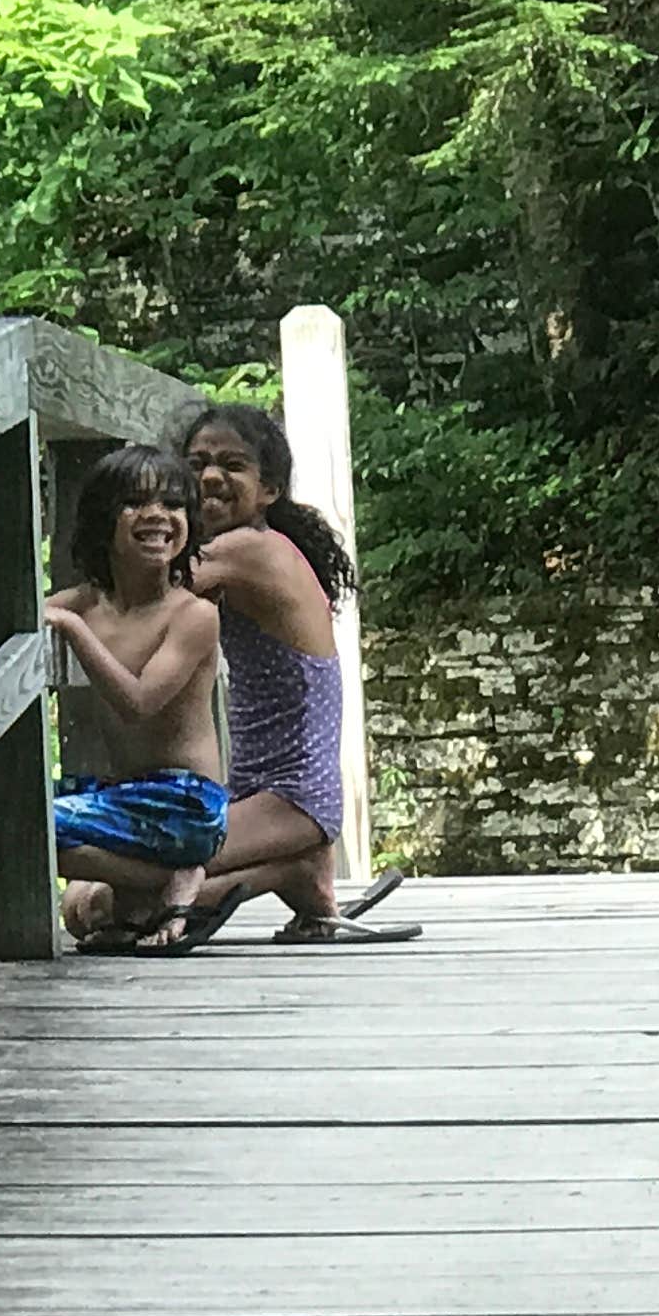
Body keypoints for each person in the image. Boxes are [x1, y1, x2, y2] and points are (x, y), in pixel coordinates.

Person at [171, 403, 411, 944]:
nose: (210, 477)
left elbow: (137, 602)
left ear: (269, 490)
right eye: (195, 464)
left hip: (293, 796)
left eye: (233, 465)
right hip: (272, 794)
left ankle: (288, 869)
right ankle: (297, 871)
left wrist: (53, 612)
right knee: (92, 901)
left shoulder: (245, 549)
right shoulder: (249, 547)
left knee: (113, 902)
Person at [43, 445, 228, 954]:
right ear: (103, 521)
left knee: (31, 822)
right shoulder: (87, 601)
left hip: (187, 804)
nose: (157, 516)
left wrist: (76, 631)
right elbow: (9, 630)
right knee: (9, 803)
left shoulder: (191, 615)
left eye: (173, 504)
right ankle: (156, 883)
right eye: (135, 502)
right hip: (128, 798)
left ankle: (165, 880)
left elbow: (140, 702)